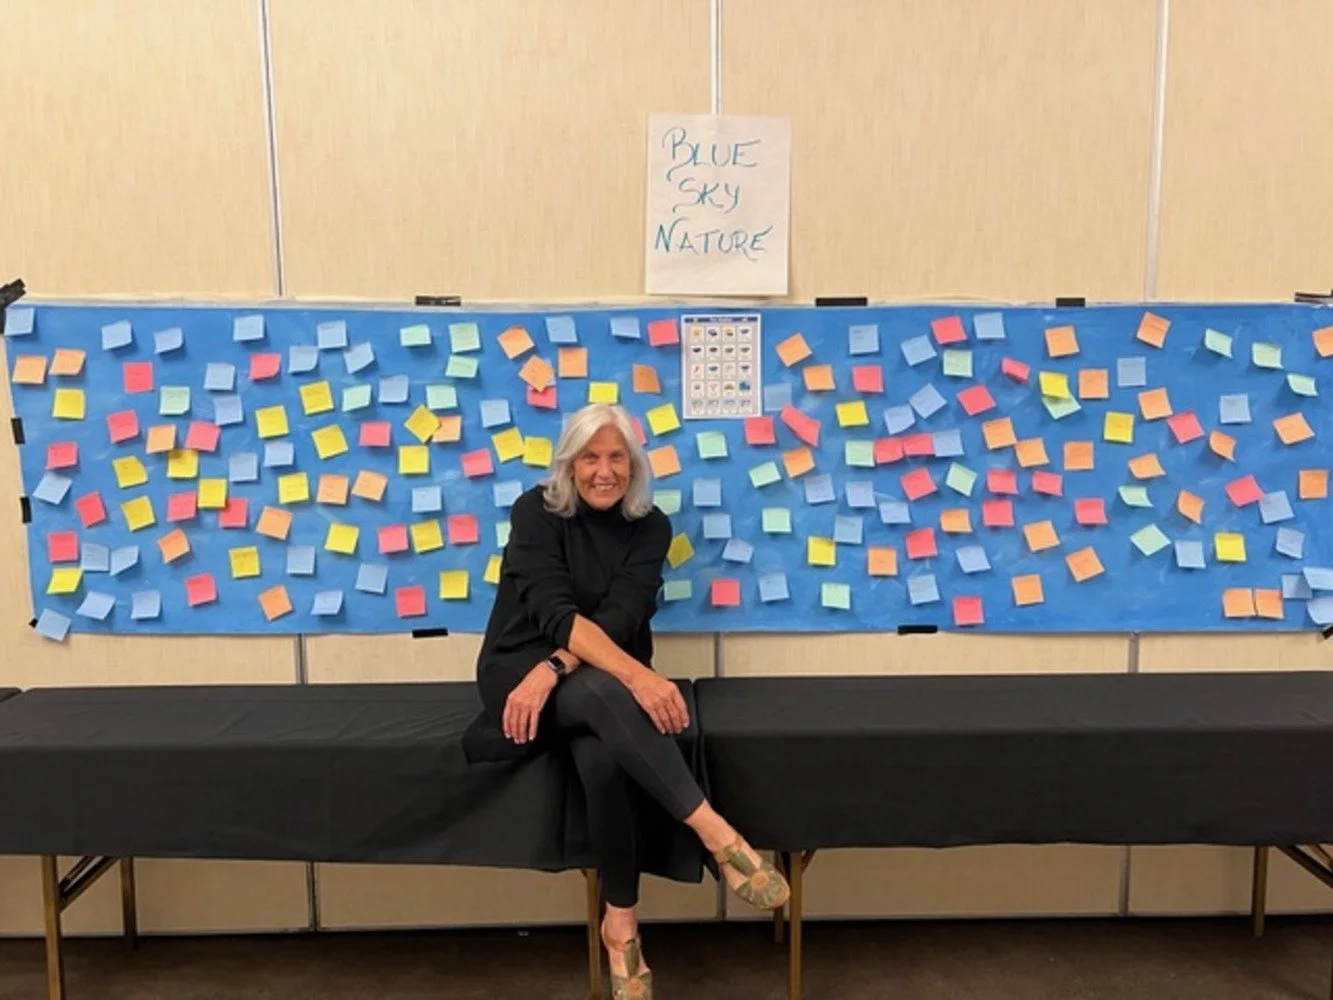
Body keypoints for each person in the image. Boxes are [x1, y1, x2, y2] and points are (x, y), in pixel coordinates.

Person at [475, 402, 789, 999]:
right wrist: (630, 678)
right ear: (569, 464)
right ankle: (719, 837)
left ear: (634, 464)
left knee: (603, 757)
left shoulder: (651, 528)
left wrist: (561, 665)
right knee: (606, 691)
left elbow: (622, 614)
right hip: (518, 674)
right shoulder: (534, 513)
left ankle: (621, 927)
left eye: (617, 457)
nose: (604, 470)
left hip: (584, 675)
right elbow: (553, 611)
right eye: (590, 457)